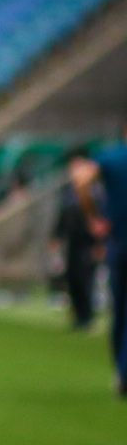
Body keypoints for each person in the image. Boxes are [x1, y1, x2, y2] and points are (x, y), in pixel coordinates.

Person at [55, 154, 107, 332]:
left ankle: (87, 316)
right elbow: (63, 216)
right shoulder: (70, 192)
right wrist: (57, 235)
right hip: (73, 241)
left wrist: (100, 244)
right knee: (72, 277)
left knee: (85, 279)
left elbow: (100, 221)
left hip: (88, 243)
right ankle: (77, 315)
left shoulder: (95, 193)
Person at [94, 119, 127, 398]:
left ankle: (120, 369)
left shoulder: (111, 157)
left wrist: (93, 216)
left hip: (118, 242)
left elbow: (81, 180)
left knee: (119, 309)